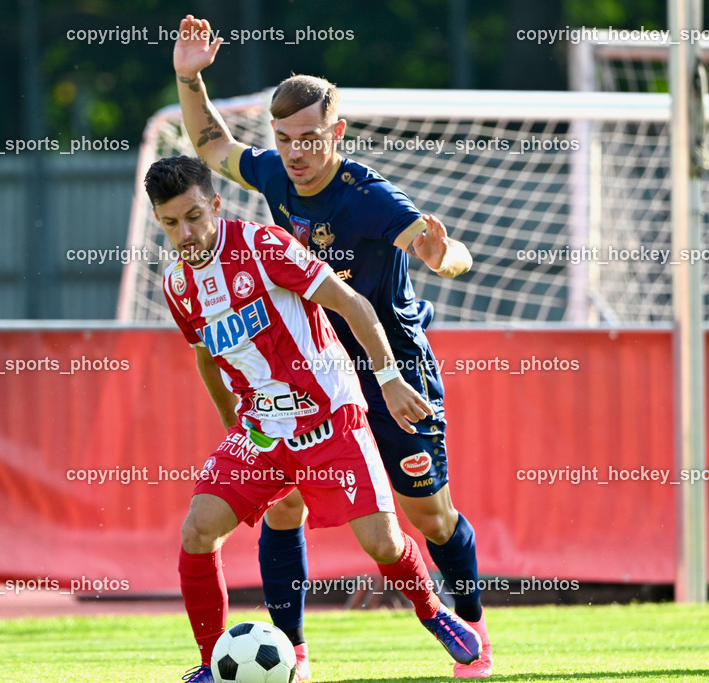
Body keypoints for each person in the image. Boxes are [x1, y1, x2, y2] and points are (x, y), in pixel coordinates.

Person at [172, 15, 492, 680]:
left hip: (389, 370)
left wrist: (444, 256)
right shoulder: (276, 176)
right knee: (282, 508)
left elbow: (445, 252)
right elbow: (209, 144)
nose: (295, 152)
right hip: (309, 378)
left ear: (336, 133)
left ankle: (472, 622)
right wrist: (188, 75)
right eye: (285, 139)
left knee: (429, 518)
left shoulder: (368, 198)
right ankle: (291, 656)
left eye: (310, 139)